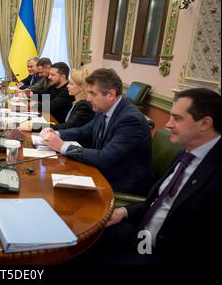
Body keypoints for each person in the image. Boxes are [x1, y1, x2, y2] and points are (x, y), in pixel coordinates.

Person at [84, 88, 221, 265]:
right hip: (139, 232)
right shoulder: (186, 153)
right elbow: (159, 202)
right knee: (76, 242)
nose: (168, 124)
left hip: (160, 254)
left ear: (205, 123)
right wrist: (124, 211)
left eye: (177, 118)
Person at [43, 68, 154, 195]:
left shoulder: (130, 120)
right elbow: (83, 132)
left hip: (120, 184)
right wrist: (56, 133)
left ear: (111, 94)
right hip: (100, 172)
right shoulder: (104, 109)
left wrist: (63, 146)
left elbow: (105, 157)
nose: (88, 98)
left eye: (93, 93)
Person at [20, 68, 94, 132]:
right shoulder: (78, 101)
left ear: (81, 87)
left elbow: (67, 126)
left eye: (71, 84)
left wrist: (35, 127)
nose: (68, 86)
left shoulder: (84, 105)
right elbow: (43, 94)